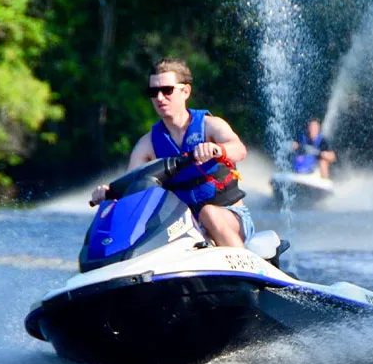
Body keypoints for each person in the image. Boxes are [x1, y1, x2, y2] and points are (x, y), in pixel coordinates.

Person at [90, 58, 254, 248]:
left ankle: (238, 268)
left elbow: (239, 150)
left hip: (230, 218)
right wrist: (108, 192)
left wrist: (217, 149)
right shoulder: (147, 144)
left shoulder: (210, 125)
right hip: (179, 228)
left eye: (167, 90)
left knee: (208, 213)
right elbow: (131, 187)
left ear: (185, 91)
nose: (159, 98)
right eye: (153, 92)